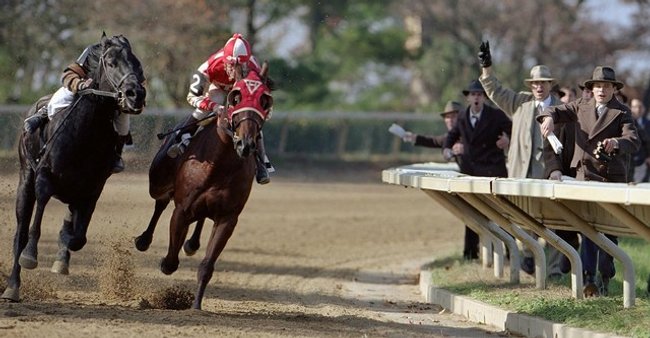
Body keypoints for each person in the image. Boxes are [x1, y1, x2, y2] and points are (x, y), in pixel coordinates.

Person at [539, 66, 640, 296]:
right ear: (591, 89)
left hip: (610, 180)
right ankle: (587, 280)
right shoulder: (580, 106)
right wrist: (547, 118)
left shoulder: (622, 111)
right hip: (584, 177)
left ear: (614, 89)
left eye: (606, 86)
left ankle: (605, 274)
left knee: (608, 232)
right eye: (597, 86)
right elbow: (555, 110)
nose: (601, 90)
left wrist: (616, 143)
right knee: (587, 230)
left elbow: (633, 140)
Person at [477, 41, 563, 276]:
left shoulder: (562, 108)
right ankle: (530, 261)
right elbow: (494, 90)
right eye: (535, 83)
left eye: (543, 83)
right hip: (521, 175)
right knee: (524, 222)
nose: (538, 87)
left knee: (554, 224)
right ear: (531, 85)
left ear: (550, 85)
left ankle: (554, 270)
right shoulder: (520, 102)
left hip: (549, 176)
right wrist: (487, 68)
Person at [166, 33, 273, 185]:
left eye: (241, 66)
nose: (236, 70)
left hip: (243, 92)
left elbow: (265, 100)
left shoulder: (254, 68)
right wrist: (214, 106)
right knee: (205, 109)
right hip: (218, 89)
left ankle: (262, 162)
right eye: (232, 65)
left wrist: (259, 113)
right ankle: (182, 138)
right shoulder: (209, 67)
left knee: (249, 116)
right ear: (224, 60)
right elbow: (192, 97)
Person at [23, 42, 135, 174]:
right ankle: (44, 112)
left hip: (110, 100)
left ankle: (116, 156)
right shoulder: (93, 51)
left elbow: (137, 82)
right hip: (83, 92)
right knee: (60, 98)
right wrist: (80, 84)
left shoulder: (128, 58)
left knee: (123, 125)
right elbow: (68, 74)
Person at [443, 80, 512, 260]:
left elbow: (514, 131)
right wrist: (447, 149)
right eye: (473, 94)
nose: (476, 98)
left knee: (501, 214)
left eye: (479, 94)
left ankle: (511, 253)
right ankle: (470, 254)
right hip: (471, 172)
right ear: (468, 98)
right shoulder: (463, 117)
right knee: (472, 213)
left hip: (492, 171)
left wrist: (507, 141)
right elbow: (451, 137)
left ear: (484, 97)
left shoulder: (496, 115)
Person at [630, 98, 650, 182]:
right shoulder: (626, 122)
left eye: (639, 107)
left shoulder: (648, 123)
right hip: (629, 160)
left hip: (643, 161)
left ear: (643, 109)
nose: (637, 109)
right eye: (634, 107)